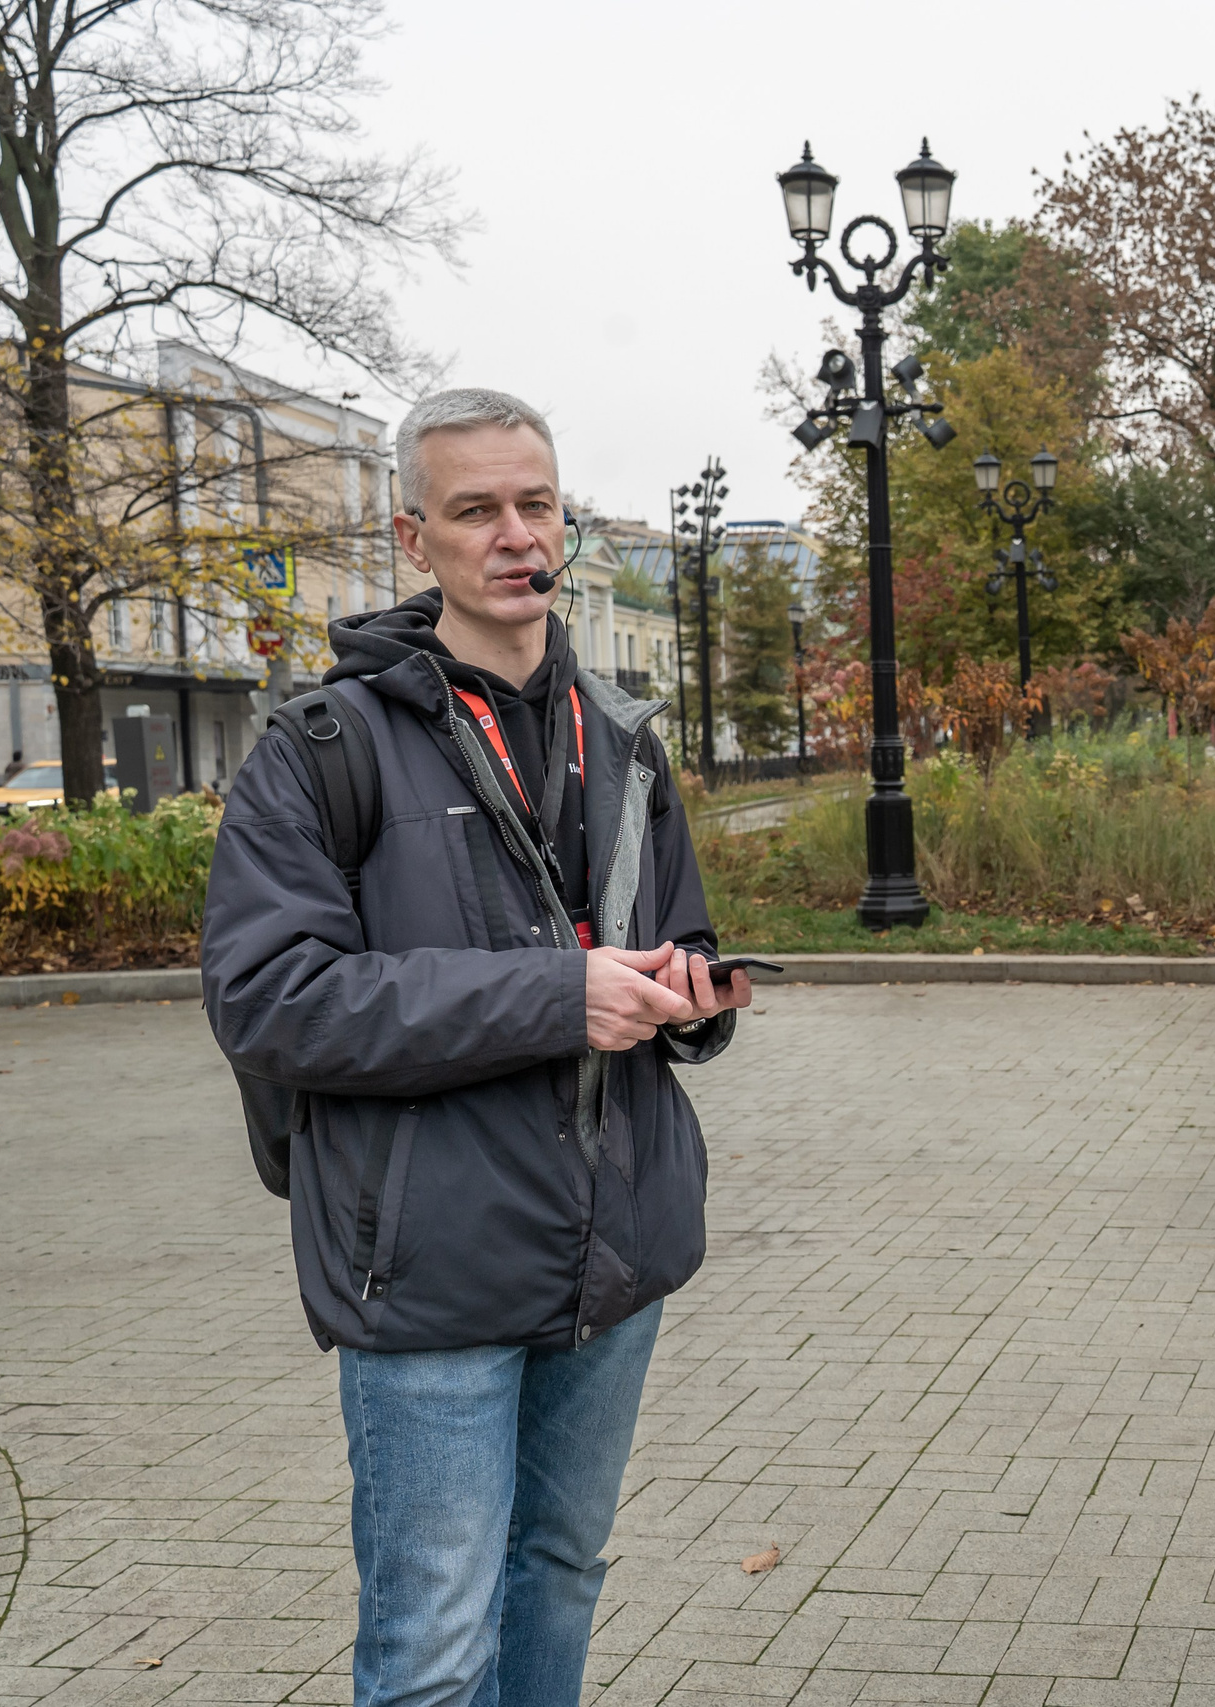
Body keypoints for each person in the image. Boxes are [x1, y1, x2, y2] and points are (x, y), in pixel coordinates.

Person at [201, 388, 751, 1707]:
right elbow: (273, 1000)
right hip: (429, 1258)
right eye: (476, 510)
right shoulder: (317, 749)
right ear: (414, 536)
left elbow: (670, 926)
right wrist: (554, 996)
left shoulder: (621, 736)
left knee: (560, 1568)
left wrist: (694, 992)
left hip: (614, 1247)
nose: (517, 535)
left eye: (537, 503)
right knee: (436, 1637)